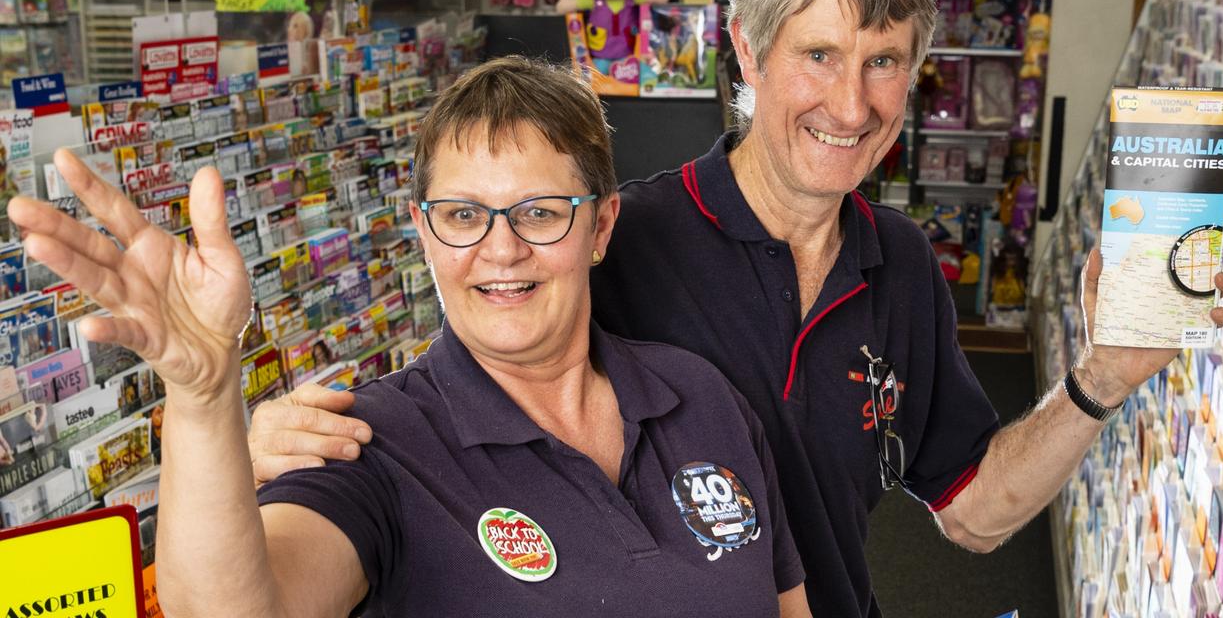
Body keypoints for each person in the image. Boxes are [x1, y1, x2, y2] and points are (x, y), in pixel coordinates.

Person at [247, 0, 1223, 616]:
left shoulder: (898, 263)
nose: (850, 105)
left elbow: (970, 514)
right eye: (817, 55)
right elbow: (461, 401)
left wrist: (1100, 381)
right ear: (746, 58)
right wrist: (278, 444)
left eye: (882, 61)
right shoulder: (615, 237)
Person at [7, 57, 810, 617]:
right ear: (422, 234)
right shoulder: (373, 442)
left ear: (600, 227)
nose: (501, 250)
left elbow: (784, 606)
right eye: (462, 216)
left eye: (539, 211)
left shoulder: (702, 396)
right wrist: (202, 393)